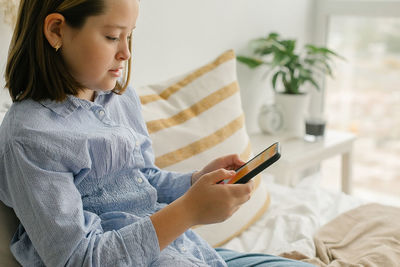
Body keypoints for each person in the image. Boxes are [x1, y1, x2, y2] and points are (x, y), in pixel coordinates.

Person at [0, 0, 315, 266]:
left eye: (129, 36)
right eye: (112, 36)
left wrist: (194, 183)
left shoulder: (120, 99)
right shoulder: (31, 136)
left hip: (183, 248)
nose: (126, 52)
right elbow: (79, 259)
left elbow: (142, 179)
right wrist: (189, 210)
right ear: (56, 30)